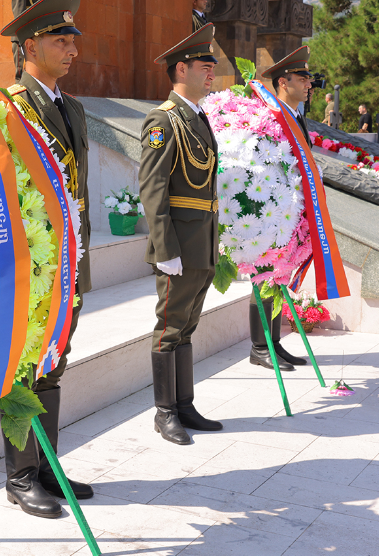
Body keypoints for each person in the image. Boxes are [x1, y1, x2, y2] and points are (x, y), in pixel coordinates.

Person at [0, 0, 93, 517]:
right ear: (30, 46)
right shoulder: (9, 106)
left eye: (73, 39)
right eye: (61, 39)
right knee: (23, 368)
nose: (72, 49)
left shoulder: (73, 109)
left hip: (70, 258)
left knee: (53, 363)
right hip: (33, 261)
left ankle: (47, 468)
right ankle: (19, 476)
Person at [139, 23, 222, 445]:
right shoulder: (164, 120)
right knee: (170, 326)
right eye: (205, 65)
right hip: (178, 247)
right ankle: (165, 412)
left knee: (187, 325)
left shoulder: (198, 117)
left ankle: (184, 404)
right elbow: (153, 188)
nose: (212, 72)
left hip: (201, 241)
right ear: (182, 69)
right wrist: (165, 248)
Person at [251, 46, 328, 373]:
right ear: (283, 81)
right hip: (269, 211)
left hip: (289, 211)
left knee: (276, 280)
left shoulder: (295, 115)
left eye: (309, 77)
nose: (310, 84)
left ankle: (274, 343)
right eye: (303, 77)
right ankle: (259, 347)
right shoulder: (271, 115)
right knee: (263, 278)